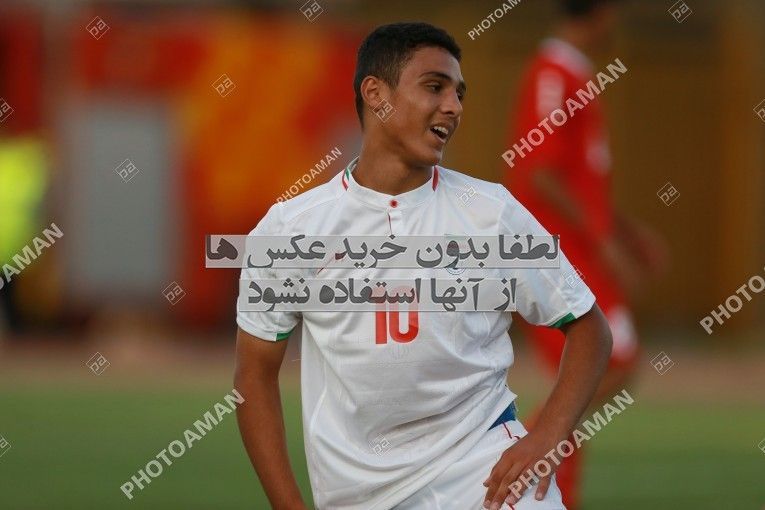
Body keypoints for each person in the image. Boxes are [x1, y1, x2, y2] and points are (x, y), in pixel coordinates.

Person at [234, 22, 612, 510]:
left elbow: (590, 329)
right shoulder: (290, 230)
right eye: (435, 87)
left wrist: (547, 436)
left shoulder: (492, 212)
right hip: (357, 496)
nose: (453, 106)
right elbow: (253, 376)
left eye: (459, 93)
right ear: (376, 94)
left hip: (486, 472)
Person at [504, 1, 667, 508]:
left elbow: (577, 181)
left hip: (575, 247)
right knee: (607, 364)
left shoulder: (574, 73)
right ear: (598, 14)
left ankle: (548, 489)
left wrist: (623, 230)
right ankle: (510, 459)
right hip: (558, 254)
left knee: (591, 375)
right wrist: (602, 240)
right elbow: (541, 174)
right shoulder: (553, 74)